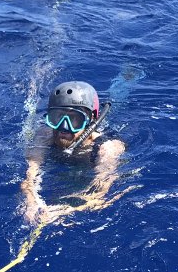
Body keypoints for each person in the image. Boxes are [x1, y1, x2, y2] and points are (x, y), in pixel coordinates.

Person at [21, 80, 128, 226]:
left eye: (74, 120)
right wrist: (32, 202)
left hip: (88, 166)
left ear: (90, 121)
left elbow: (101, 195)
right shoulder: (44, 136)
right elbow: (30, 174)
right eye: (57, 118)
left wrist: (62, 211)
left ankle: (126, 79)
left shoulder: (107, 148)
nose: (64, 127)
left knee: (119, 95)